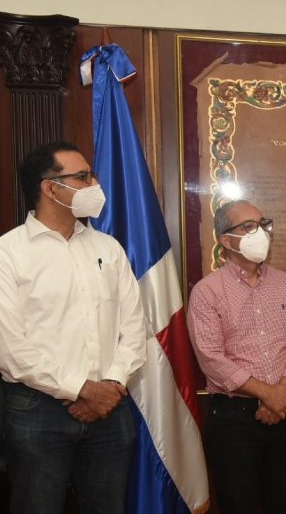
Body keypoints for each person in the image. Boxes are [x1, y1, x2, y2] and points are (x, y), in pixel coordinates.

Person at [0, 141, 147, 514]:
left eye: (91, 175)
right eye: (83, 177)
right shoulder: (8, 253)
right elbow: (11, 349)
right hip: (38, 411)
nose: (94, 184)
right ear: (50, 188)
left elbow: (134, 328)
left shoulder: (108, 248)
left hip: (110, 409)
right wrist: (81, 389)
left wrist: (110, 386)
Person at [187, 199, 286, 514]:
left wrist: (281, 393)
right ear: (225, 240)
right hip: (234, 420)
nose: (260, 233)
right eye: (248, 227)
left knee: (284, 504)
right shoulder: (207, 292)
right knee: (237, 505)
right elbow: (211, 358)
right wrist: (267, 394)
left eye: (262, 225)